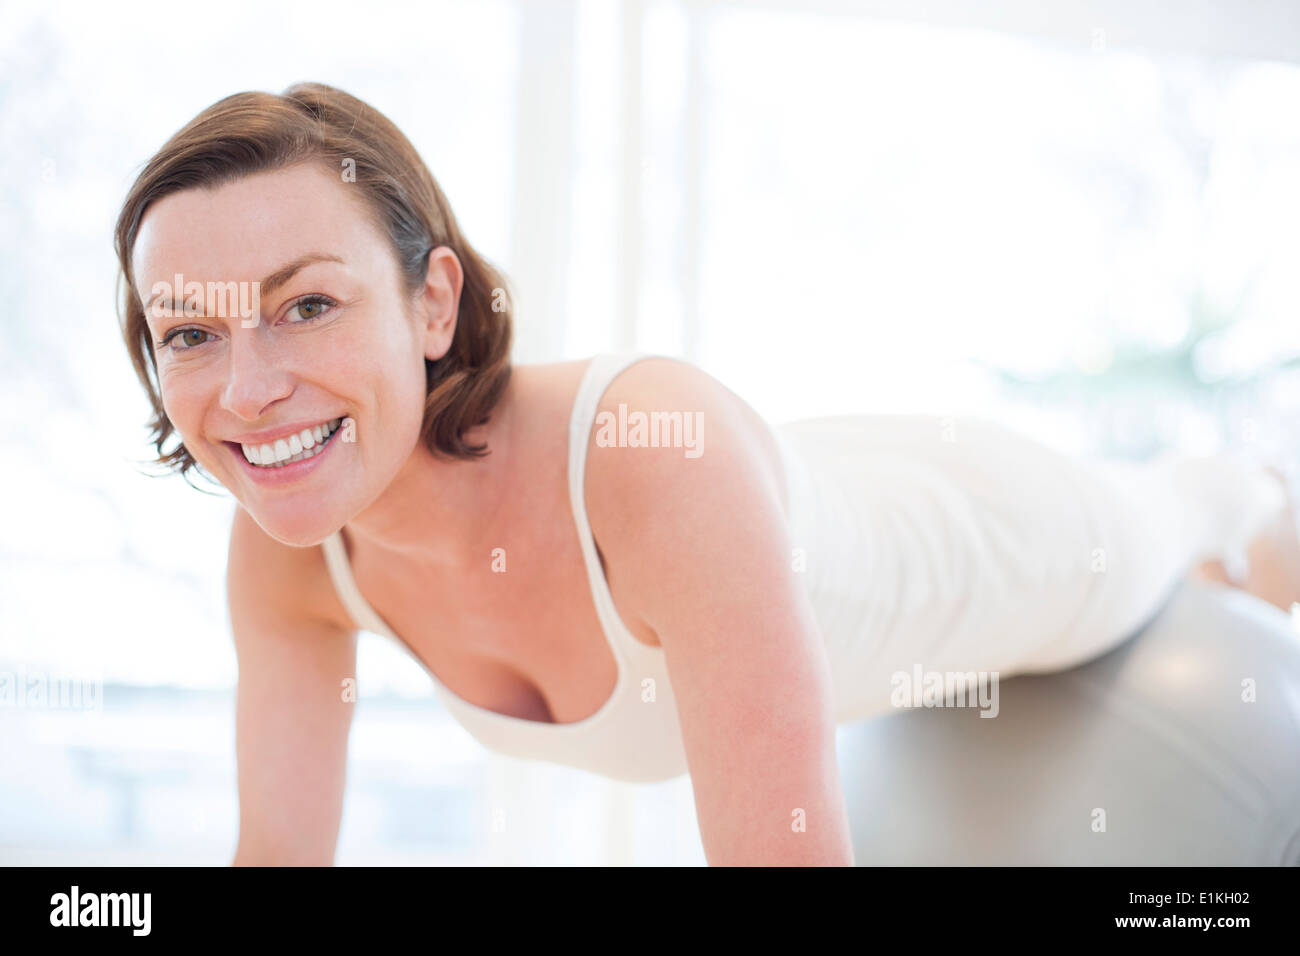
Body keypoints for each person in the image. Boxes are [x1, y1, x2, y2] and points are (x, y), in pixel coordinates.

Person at [114, 82, 1298, 867]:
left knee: (1194, 514)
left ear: (434, 302)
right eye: (190, 331)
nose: (249, 388)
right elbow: (274, 855)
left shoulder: (645, 459)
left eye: (308, 304)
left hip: (1002, 532)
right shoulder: (289, 552)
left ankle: (1247, 485)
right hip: (793, 502)